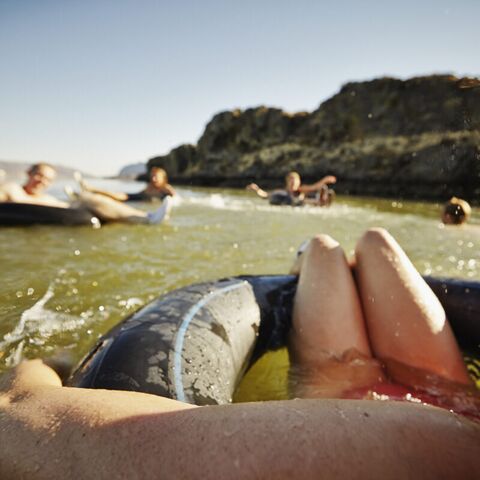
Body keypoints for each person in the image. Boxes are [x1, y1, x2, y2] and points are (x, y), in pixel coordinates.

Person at [0, 229, 479, 478]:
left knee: (323, 248)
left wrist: (35, 372)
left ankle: (304, 274)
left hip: (352, 390)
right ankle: (309, 275)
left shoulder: (427, 454)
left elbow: (26, 422)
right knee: (374, 242)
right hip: (450, 394)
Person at [0, 163, 171, 225]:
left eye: (47, 180)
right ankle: (147, 218)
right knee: (90, 199)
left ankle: (146, 217)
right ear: (29, 173)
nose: (42, 181)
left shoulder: (46, 198)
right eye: (39, 176)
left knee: (88, 200)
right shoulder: (12, 189)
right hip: (21, 216)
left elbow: (63, 208)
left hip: (60, 214)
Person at [76, 167, 176, 202]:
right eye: (152, 176)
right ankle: (90, 189)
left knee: (115, 196)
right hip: (136, 197)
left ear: (163, 179)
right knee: (114, 195)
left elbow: (176, 198)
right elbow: (140, 194)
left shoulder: (165, 189)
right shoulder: (149, 187)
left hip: (138, 200)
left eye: (156, 177)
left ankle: (90, 190)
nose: (153, 179)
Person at [246, 171, 337, 207]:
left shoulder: (301, 190)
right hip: (289, 203)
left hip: (302, 203)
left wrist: (325, 180)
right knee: (300, 200)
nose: (293, 183)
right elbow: (265, 195)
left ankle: (323, 201)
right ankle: (322, 202)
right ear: (287, 182)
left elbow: (315, 187)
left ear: (299, 182)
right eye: (291, 181)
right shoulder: (281, 193)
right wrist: (257, 189)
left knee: (304, 200)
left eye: (295, 181)